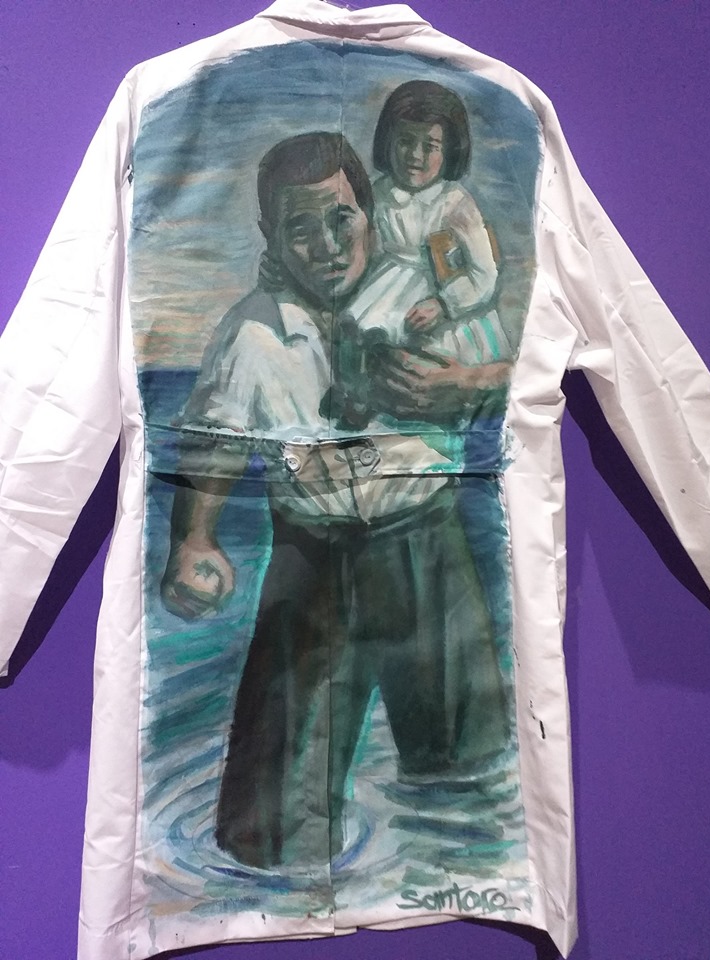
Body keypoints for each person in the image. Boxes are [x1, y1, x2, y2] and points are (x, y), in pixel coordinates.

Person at [160, 132, 511, 869]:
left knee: (470, 780)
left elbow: (523, 369)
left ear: (370, 212)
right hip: (313, 564)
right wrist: (194, 539)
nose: (326, 245)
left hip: (429, 550)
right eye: (300, 227)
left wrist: (457, 386)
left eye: (341, 218)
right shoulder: (251, 334)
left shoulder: (426, 292)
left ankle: (448, 875)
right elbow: (215, 440)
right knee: (271, 827)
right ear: (270, 235)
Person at [346, 80, 510, 368]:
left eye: (430, 146)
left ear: (449, 151)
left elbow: (485, 273)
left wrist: (444, 305)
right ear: (388, 141)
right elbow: (362, 250)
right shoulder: (377, 194)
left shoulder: (455, 204)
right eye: (405, 141)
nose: (415, 155)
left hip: (445, 313)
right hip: (384, 295)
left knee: (428, 367)